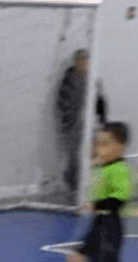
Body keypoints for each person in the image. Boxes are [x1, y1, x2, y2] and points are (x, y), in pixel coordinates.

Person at [65, 122, 134, 262]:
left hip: (111, 226)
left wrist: (95, 205)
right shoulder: (105, 167)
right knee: (75, 259)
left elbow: (119, 200)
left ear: (122, 147)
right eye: (99, 143)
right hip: (98, 224)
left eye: (107, 144)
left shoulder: (120, 170)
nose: (100, 148)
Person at [57, 50, 91, 194]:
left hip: (88, 124)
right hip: (72, 124)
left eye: (85, 62)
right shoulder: (68, 80)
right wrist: (67, 119)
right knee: (74, 156)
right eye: (80, 61)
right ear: (75, 61)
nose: (83, 65)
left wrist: (100, 120)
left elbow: (100, 100)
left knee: (88, 154)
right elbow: (60, 102)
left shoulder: (92, 79)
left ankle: (84, 185)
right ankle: (73, 185)